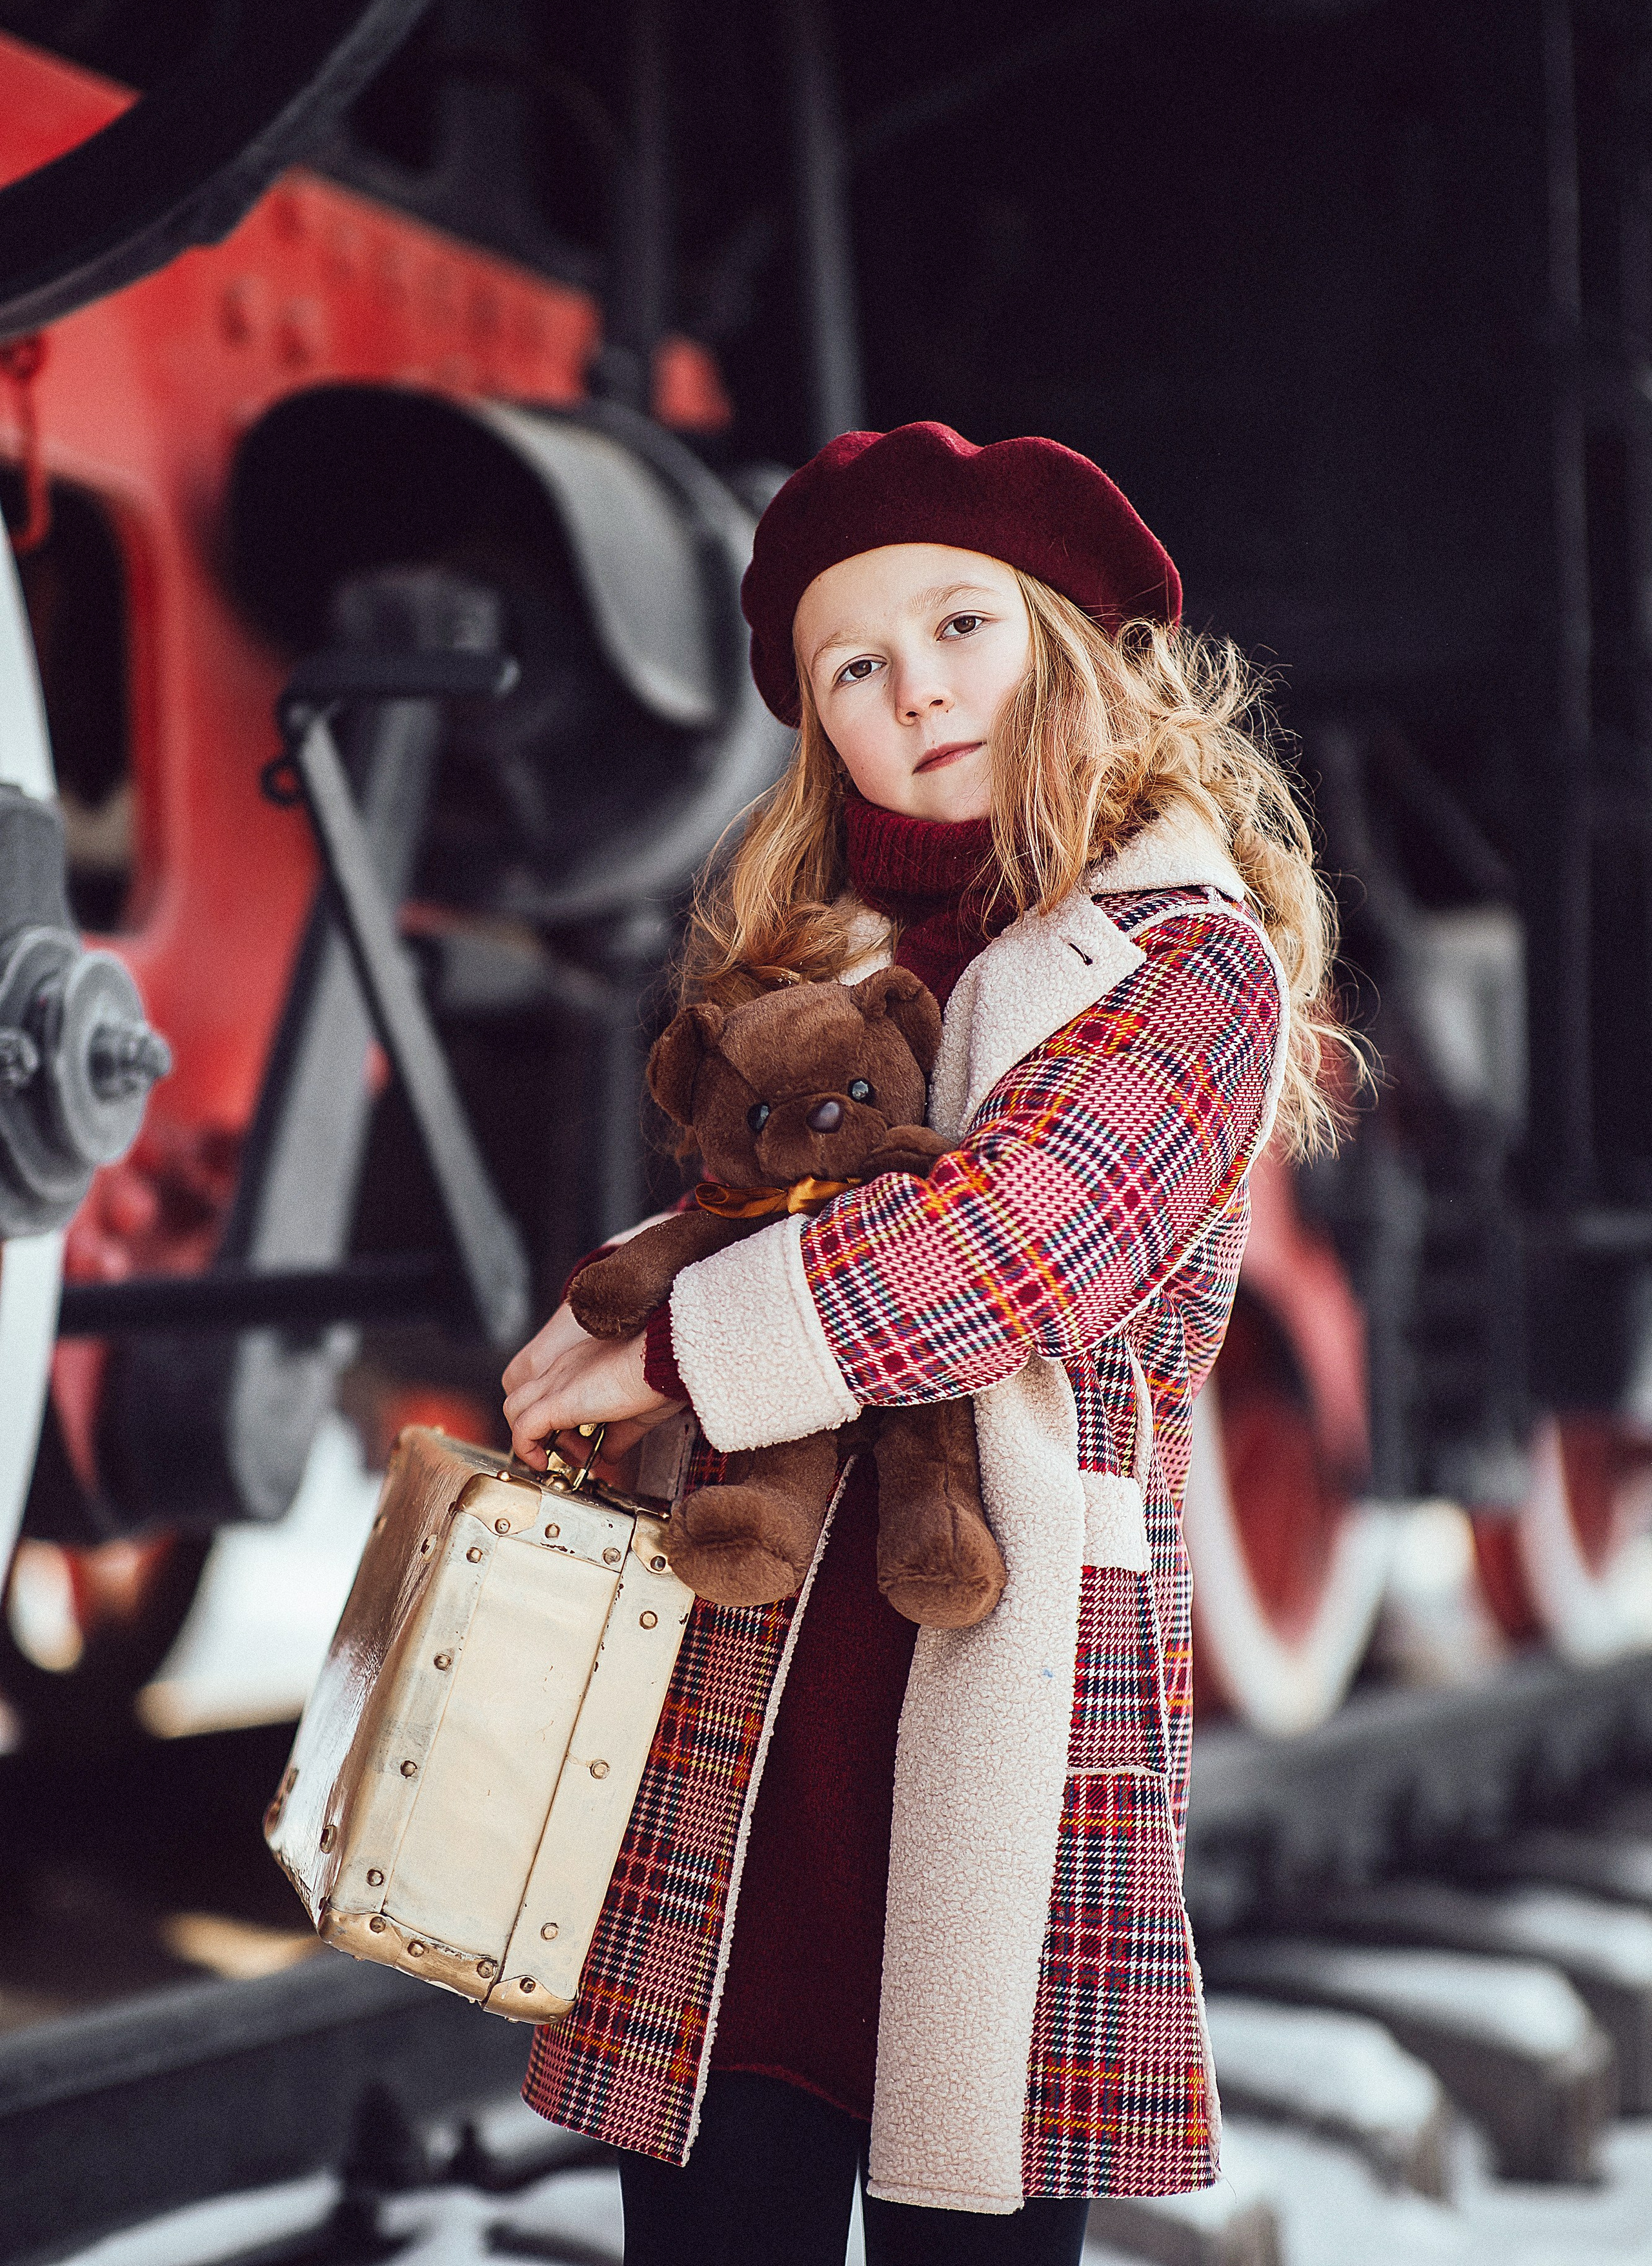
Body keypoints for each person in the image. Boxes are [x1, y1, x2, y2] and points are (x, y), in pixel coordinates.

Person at [501, 423, 1345, 2266]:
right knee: (714, 2218)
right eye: (853, 667)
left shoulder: (1187, 964)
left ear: (1063, 635)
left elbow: (1024, 1243)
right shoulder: (827, 953)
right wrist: (620, 1296)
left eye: (961, 624)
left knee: (973, 2225)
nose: (917, 691)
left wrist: (670, 1350)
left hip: (1001, 1720)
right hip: (749, 1747)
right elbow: (781, 1211)